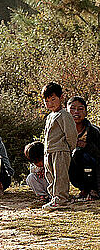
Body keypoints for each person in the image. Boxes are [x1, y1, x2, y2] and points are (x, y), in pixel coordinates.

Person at [41, 82, 77, 210]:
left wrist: (69, 148)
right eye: (47, 101)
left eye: (53, 99)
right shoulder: (50, 116)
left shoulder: (64, 115)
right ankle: (54, 197)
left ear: (61, 98)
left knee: (60, 175)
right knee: (50, 175)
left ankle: (61, 198)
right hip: (49, 150)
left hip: (61, 150)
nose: (50, 103)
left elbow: (71, 134)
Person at [67, 96, 100, 201]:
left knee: (79, 154)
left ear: (85, 112)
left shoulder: (94, 131)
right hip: (72, 166)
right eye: (72, 109)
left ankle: (93, 190)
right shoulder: (62, 130)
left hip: (92, 167)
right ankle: (82, 189)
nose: (76, 112)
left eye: (80, 109)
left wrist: (86, 146)